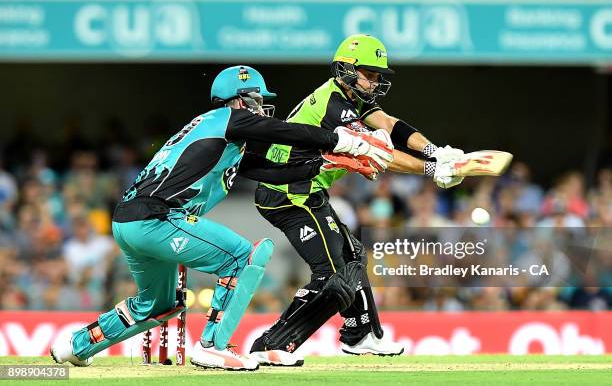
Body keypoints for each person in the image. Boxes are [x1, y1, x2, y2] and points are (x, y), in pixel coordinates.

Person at [50, 65, 393, 371]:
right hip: (158, 217)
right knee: (244, 257)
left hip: (130, 222)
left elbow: (273, 173)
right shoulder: (222, 119)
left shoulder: (223, 140)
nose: (262, 108)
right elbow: (281, 132)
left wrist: (326, 163)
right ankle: (212, 346)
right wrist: (342, 140)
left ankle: (76, 346)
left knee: (158, 304)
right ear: (239, 100)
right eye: (257, 100)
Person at [249, 35, 465, 366]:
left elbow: (392, 126)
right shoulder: (335, 105)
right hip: (286, 192)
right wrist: (432, 170)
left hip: (307, 191)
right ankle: (272, 344)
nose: (375, 81)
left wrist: (436, 151)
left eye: (378, 75)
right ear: (346, 69)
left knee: (352, 256)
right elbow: (377, 154)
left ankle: (362, 334)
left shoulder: (352, 98)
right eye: (370, 73)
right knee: (332, 273)